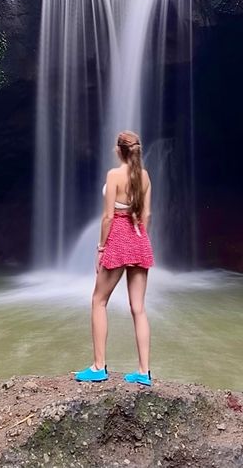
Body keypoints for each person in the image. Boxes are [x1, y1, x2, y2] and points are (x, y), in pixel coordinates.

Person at [74, 130, 154, 386]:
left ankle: (99, 367)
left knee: (99, 300)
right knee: (138, 308)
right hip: (139, 236)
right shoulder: (144, 176)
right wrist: (140, 240)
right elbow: (147, 215)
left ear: (119, 150)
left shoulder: (114, 175)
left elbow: (108, 216)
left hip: (118, 237)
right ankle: (144, 372)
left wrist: (100, 247)